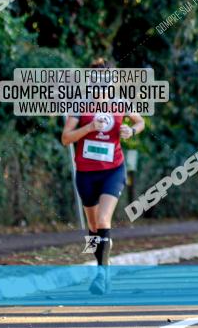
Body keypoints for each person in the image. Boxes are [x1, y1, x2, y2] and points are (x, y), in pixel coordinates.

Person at [61, 58, 145, 295]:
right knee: (93, 225)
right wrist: (88, 128)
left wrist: (131, 129)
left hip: (113, 170)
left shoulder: (120, 103)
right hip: (86, 172)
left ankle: (102, 275)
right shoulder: (80, 105)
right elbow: (66, 138)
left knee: (103, 220)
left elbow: (140, 122)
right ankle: (102, 257)